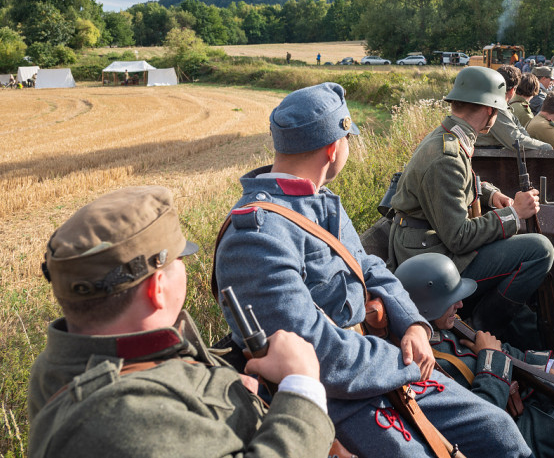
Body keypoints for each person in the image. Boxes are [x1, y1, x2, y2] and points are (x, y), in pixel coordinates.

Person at [215, 82, 532, 458]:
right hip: (335, 394)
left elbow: (369, 265)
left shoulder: (317, 200)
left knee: (498, 432)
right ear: (334, 150)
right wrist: (405, 363)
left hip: (376, 366)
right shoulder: (256, 235)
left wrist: (412, 323)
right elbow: (317, 350)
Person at [27, 186, 335, 458]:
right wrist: (302, 389)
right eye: (179, 260)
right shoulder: (119, 420)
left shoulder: (59, 369)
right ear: (156, 289)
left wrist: (221, 398)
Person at [396, 254, 554, 458]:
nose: (461, 304)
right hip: (525, 437)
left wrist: (547, 368)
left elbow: (505, 351)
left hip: (529, 391)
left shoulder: (445, 326)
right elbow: (476, 423)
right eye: (452, 300)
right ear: (427, 307)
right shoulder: (421, 365)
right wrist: (492, 362)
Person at [388, 67, 553, 342]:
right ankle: (483, 326)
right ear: (490, 110)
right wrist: (514, 214)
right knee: (540, 250)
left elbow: (459, 181)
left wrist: (488, 195)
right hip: (431, 257)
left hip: (425, 244)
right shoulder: (446, 155)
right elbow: (459, 238)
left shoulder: (448, 135)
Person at [476, 65, 554, 151]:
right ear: (513, 90)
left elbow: (522, 134)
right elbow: (516, 141)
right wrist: (546, 147)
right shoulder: (496, 107)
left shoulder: (499, 105)